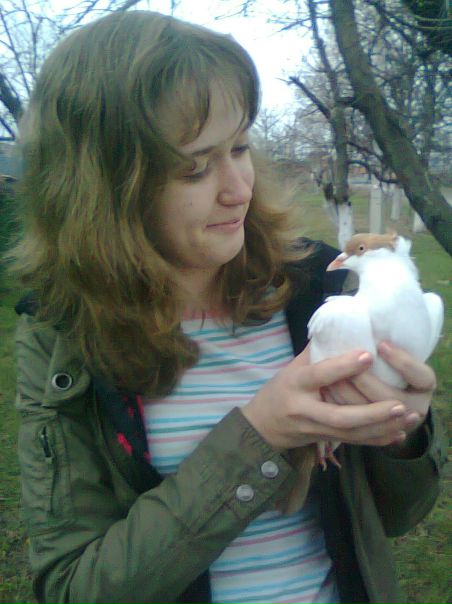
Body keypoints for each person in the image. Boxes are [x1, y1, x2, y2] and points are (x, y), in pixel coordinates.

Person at [7, 10, 446, 604]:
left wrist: (402, 437)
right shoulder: (62, 338)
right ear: (104, 188)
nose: (238, 188)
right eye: (194, 168)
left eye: (239, 147)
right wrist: (259, 435)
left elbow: (394, 517)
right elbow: (73, 587)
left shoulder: (319, 289)